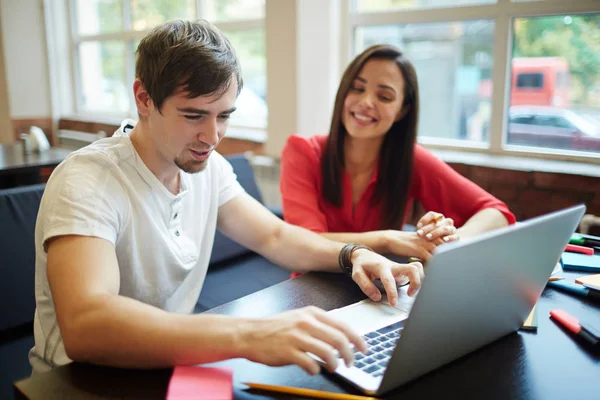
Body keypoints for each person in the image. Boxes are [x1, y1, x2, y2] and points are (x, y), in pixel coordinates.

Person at [29, 21, 425, 376]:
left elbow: (275, 237)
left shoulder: (207, 166)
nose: (213, 136)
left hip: (168, 364)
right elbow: (86, 326)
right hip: (76, 381)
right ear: (145, 99)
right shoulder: (88, 180)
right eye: (194, 115)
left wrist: (353, 253)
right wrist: (250, 334)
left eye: (224, 115)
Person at [280, 44, 516, 266]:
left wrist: (449, 240)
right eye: (357, 88)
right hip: (311, 286)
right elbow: (304, 242)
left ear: (403, 110)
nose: (366, 102)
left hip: (381, 287)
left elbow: (497, 213)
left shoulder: (409, 160)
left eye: (384, 96)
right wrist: (389, 239)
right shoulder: (302, 152)